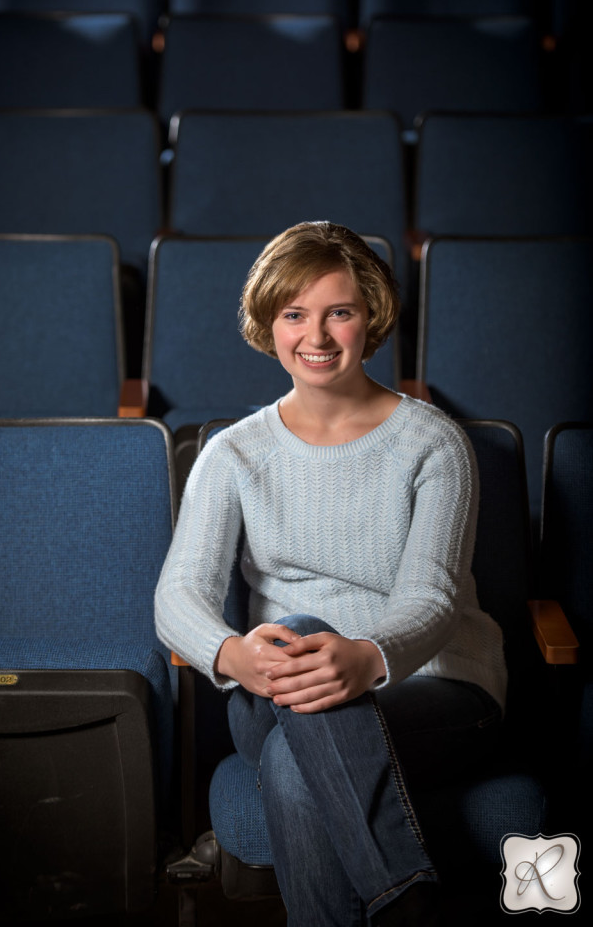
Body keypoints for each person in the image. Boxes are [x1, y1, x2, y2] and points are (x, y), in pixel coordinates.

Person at [154, 221, 507, 926]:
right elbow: (177, 595)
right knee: (297, 637)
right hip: (276, 686)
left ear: (369, 316)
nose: (316, 336)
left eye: (339, 311)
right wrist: (234, 655)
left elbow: (432, 598)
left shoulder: (433, 442)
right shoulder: (233, 454)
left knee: (293, 764)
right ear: (269, 324)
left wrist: (369, 657)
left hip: (432, 690)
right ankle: (410, 899)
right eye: (294, 314)